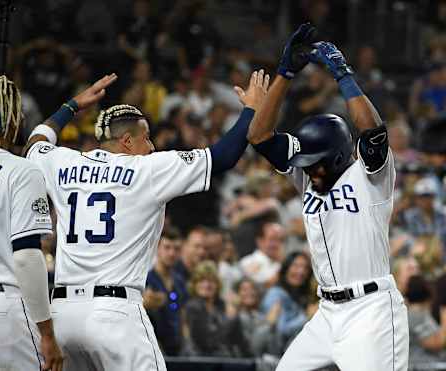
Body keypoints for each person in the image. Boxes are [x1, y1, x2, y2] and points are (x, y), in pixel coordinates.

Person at [22, 69, 269, 370]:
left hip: (62, 314)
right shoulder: (146, 169)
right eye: (146, 138)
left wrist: (72, 106)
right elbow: (224, 156)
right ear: (127, 140)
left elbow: (34, 144)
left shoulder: (65, 162)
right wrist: (252, 109)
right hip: (115, 314)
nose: (152, 146)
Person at [247, 23, 409, 370]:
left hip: (372, 312)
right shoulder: (307, 172)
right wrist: (285, 73)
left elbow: (373, 132)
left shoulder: (370, 176)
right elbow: (259, 136)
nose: (307, 170)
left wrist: (343, 76)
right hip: (327, 313)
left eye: (314, 164)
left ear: (338, 157)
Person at [0, 74, 63, 370]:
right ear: (7, 118)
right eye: (17, 112)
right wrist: (47, 332)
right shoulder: (21, 170)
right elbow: (26, 255)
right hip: (2, 313)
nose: (20, 119)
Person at [145, 228, 187, 356]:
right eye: (167, 247)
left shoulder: (179, 281)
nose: (171, 253)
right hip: (152, 348)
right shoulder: (146, 279)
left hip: (177, 349)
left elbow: (182, 316)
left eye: (176, 249)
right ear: (157, 248)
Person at [261, 252, 313, 349]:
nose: (301, 272)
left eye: (305, 268)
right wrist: (307, 317)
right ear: (286, 269)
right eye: (296, 266)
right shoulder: (276, 294)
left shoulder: (300, 296)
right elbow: (281, 330)